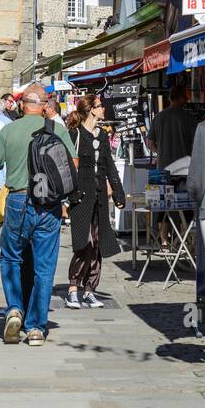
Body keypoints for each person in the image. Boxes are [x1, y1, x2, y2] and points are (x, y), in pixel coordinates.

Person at [0, 84, 76, 347]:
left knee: (11, 257)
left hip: (18, 199)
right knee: (44, 266)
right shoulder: (57, 129)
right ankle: (36, 328)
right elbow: (72, 164)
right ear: (45, 106)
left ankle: (15, 309)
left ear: (21, 105)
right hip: (48, 204)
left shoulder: (9, 130)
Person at [65, 95, 124, 308]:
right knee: (84, 240)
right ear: (91, 110)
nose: (104, 109)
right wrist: (69, 195)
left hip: (99, 196)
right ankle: (73, 288)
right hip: (80, 195)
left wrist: (118, 193)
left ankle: (90, 290)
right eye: (100, 106)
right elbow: (69, 167)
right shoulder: (75, 134)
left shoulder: (103, 135)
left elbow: (109, 165)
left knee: (98, 242)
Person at [148, 83, 196, 175]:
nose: (187, 100)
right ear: (181, 98)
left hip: (163, 169)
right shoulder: (188, 118)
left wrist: (160, 153)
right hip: (184, 168)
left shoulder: (158, 117)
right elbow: (197, 143)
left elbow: (150, 144)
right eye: (186, 98)